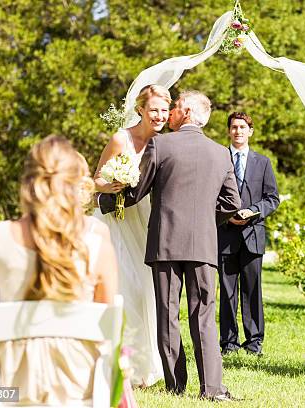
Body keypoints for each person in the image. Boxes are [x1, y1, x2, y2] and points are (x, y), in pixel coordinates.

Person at [99, 90, 241, 401]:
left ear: (187, 112)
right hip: (203, 244)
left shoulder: (160, 145)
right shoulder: (220, 152)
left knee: (167, 314)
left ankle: (176, 385)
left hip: (164, 242)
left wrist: (102, 200)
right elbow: (233, 202)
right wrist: (205, 220)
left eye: (175, 107)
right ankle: (212, 389)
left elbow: (136, 194)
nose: (171, 113)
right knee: (203, 313)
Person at [0, 135, 118, 406]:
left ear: (28, 183)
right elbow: (107, 325)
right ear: (76, 183)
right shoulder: (97, 239)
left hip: (6, 387)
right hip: (79, 384)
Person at [93, 84, 171, 387]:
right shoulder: (120, 139)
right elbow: (96, 178)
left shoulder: (165, 143)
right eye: (154, 109)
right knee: (124, 288)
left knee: (147, 291)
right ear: (140, 109)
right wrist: (110, 184)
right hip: (115, 222)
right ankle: (116, 362)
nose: (159, 115)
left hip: (148, 223)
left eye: (164, 110)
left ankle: (145, 363)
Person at [217, 112, 279, 356]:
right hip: (225, 236)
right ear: (229, 131)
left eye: (243, 127)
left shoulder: (262, 162)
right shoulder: (219, 160)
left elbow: (272, 199)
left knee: (252, 291)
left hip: (253, 235)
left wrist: (253, 212)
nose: (238, 131)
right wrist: (226, 215)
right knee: (227, 291)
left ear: (250, 131)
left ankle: (254, 342)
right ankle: (228, 343)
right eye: (234, 127)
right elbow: (210, 195)